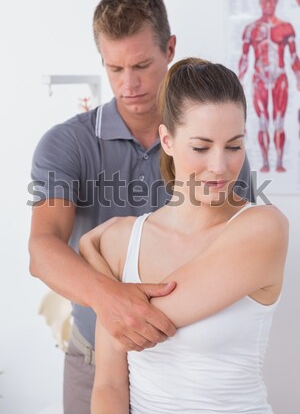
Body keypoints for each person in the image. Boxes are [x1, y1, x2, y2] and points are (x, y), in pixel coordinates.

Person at [28, 0, 254, 414]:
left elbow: (236, 245)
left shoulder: (215, 147)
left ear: (170, 49)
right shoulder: (68, 143)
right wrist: (109, 298)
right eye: (114, 68)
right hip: (94, 359)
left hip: (187, 365)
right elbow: (42, 250)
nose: (128, 84)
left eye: (142, 65)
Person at [79, 58, 288, 414]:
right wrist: (94, 258)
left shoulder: (262, 228)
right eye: (202, 147)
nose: (220, 167)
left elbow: (136, 322)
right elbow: (110, 384)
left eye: (234, 146)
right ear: (168, 141)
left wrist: (88, 254)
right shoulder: (121, 241)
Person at [238, 0, 300, 172]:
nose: (268, 4)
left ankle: (279, 162)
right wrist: (237, 82)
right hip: (260, 79)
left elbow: (294, 57)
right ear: (259, 3)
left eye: (271, 0)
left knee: (279, 121)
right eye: (264, 1)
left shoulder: (286, 27)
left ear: (276, 2)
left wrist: (298, 78)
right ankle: (265, 162)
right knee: (263, 121)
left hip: (280, 77)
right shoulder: (251, 29)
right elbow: (243, 57)